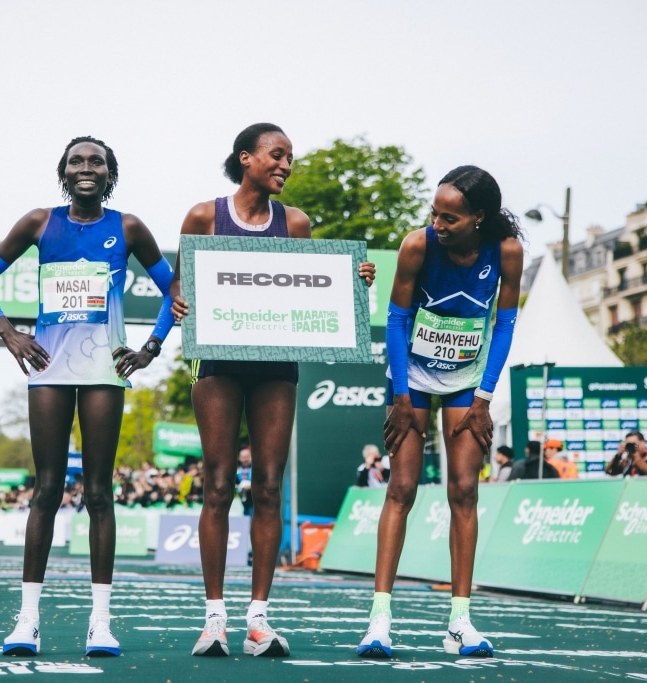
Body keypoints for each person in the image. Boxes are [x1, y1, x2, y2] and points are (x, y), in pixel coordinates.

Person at [169, 123, 376, 659]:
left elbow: (313, 287)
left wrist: (356, 279)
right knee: (217, 484)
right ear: (246, 159)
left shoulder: (296, 222)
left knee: (267, 485)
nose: (286, 165)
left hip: (276, 366)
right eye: (276, 156)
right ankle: (214, 619)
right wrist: (178, 303)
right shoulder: (203, 216)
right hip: (217, 362)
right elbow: (178, 283)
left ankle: (257, 619)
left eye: (290, 159)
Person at [0, 135, 176, 658]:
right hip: (49, 368)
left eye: (97, 162)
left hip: (104, 368)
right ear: (63, 172)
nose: (87, 168)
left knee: (100, 491)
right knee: (45, 489)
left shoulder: (128, 227)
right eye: (77, 161)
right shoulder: (40, 222)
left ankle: (101, 623)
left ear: (110, 174)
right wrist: (10, 333)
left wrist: (152, 347)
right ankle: (27, 620)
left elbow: (175, 292)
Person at [357, 165, 522, 660]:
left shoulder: (506, 251)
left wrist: (484, 398)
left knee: (465, 491)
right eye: (435, 213)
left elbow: (506, 323)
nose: (437, 223)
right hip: (412, 376)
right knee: (402, 487)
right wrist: (402, 398)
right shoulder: (417, 245)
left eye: (450, 217)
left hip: (467, 379)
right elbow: (396, 319)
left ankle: (459, 622)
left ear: (479, 218)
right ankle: (379, 621)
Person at [235, 446, 253, 516]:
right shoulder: (237, 471)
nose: (245, 459)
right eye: (243, 457)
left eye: (247, 457)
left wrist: (251, 487)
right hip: (242, 502)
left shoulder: (256, 470)